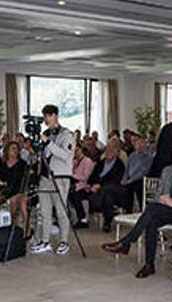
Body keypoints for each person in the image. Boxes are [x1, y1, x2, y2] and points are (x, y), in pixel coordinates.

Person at [102, 138, 172, 277]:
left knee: (152, 210)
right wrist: (162, 198)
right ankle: (149, 264)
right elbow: (159, 193)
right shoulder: (167, 170)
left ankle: (127, 242)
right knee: (151, 221)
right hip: (165, 209)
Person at [30, 104, 76, 255]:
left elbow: (64, 155)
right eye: (45, 116)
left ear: (56, 116)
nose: (46, 119)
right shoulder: (45, 133)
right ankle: (44, 241)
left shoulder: (66, 134)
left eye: (49, 115)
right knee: (44, 211)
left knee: (61, 211)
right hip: (45, 176)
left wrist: (48, 142)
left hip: (60, 177)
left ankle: (64, 241)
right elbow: (42, 155)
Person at [85, 142, 127, 232]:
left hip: (116, 191)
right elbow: (92, 175)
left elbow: (115, 180)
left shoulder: (119, 164)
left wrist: (99, 186)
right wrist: (89, 184)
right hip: (103, 191)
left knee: (109, 193)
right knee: (108, 196)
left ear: (117, 153)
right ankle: (107, 220)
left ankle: (106, 220)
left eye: (112, 151)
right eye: (107, 150)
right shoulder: (100, 163)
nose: (109, 152)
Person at [67, 144, 96, 228]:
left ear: (81, 150)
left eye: (77, 150)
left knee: (76, 196)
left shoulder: (87, 161)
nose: (75, 153)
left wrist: (73, 176)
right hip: (75, 184)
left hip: (84, 186)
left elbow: (85, 177)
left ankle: (82, 219)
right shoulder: (75, 162)